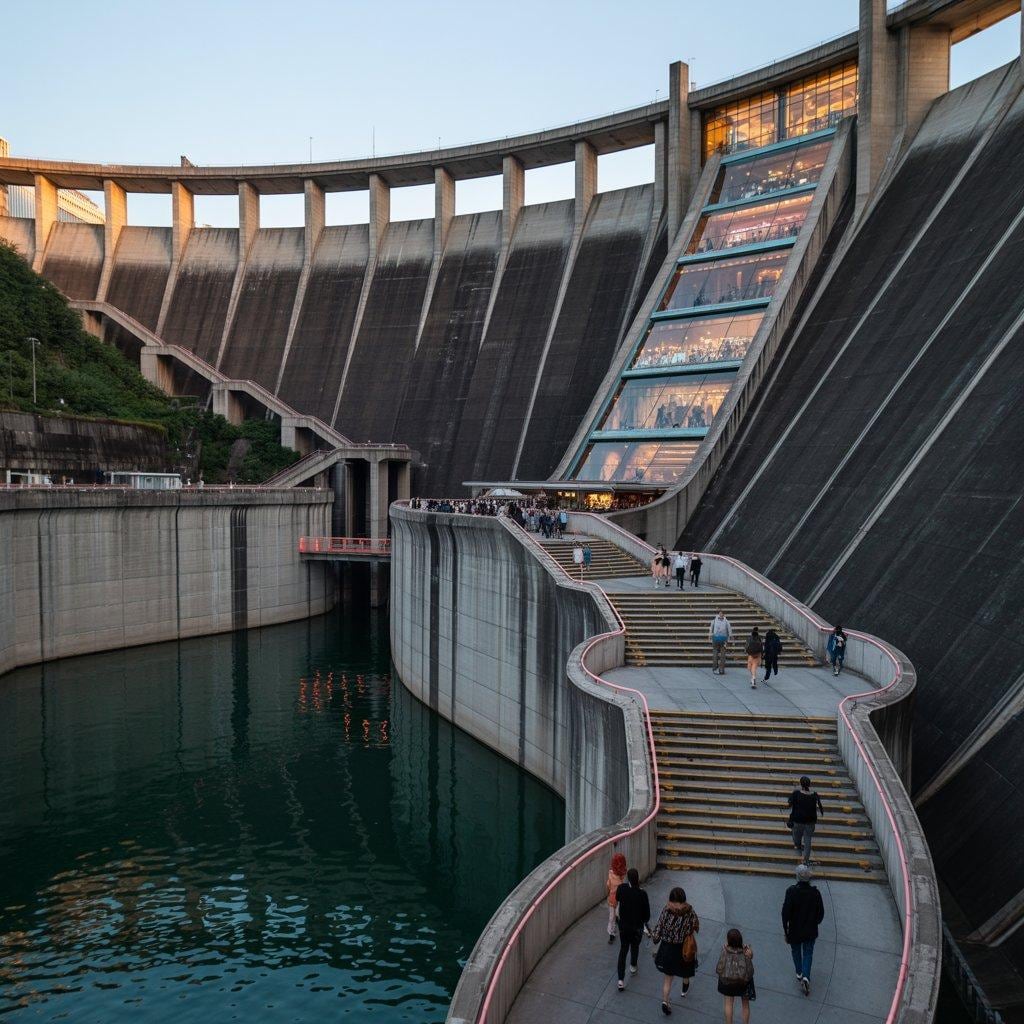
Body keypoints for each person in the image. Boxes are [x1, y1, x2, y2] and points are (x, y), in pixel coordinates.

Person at [652, 886, 700, 1015]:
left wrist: (655, 937)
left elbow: (658, 930)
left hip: (667, 948)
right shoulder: (689, 911)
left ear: (671, 900)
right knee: (686, 970)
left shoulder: (666, 910)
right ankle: (684, 989)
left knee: (668, 978)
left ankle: (665, 1001)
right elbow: (695, 925)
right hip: (683, 948)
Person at [782, 863, 825, 996]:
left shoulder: (791, 891)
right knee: (808, 952)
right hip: (810, 929)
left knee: (796, 950)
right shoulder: (815, 893)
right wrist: (815, 922)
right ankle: (806, 976)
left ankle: (799, 973)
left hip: (795, 929)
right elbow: (821, 913)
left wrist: (786, 929)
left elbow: (785, 913)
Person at [614, 868, 651, 990]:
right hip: (637, 928)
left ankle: (620, 979)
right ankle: (633, 966)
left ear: (628, 878)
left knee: (623, 950)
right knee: (635, 947)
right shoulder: (642, 894)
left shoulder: (622, 889)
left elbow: (617, 899)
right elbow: (647, 915)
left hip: (624, 927)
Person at [716, 929, 754, 1024]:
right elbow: (750, 961)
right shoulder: (746, 951)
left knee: (728, 1003)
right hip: (743, 981)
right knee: (745, 1005)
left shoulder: (725, 949)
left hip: (728, 981)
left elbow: (720, 965)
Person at [787, 775, 825, 865]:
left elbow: (789, 804)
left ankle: (798, 848)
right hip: (810, 822)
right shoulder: (814, 795)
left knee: (796, 838)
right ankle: (806, 860)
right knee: (808, 840)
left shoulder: (796, 794)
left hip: (798, 821)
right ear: (809, 784)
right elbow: (819, 806)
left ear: (801, 784)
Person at [605, 852, 628, 943]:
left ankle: (612, 933)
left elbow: (608, 886)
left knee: (613, 917)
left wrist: (608, 895)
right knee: (615, 916)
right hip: (618, 900)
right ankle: (612, 933)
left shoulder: (611, 874)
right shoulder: (624, 876)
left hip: (614, 899)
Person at [710, 610, 732, 675]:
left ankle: (715, 668)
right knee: (723, 655)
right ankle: (721, 669)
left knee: (715, 653)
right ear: (724, 615)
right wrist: (729, 638)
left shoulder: (714, 620)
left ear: (718, 614)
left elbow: (711, 629)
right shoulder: (726, 621)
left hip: (715, 639)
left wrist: (710, 637)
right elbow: (729, 630)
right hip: (723, 639)